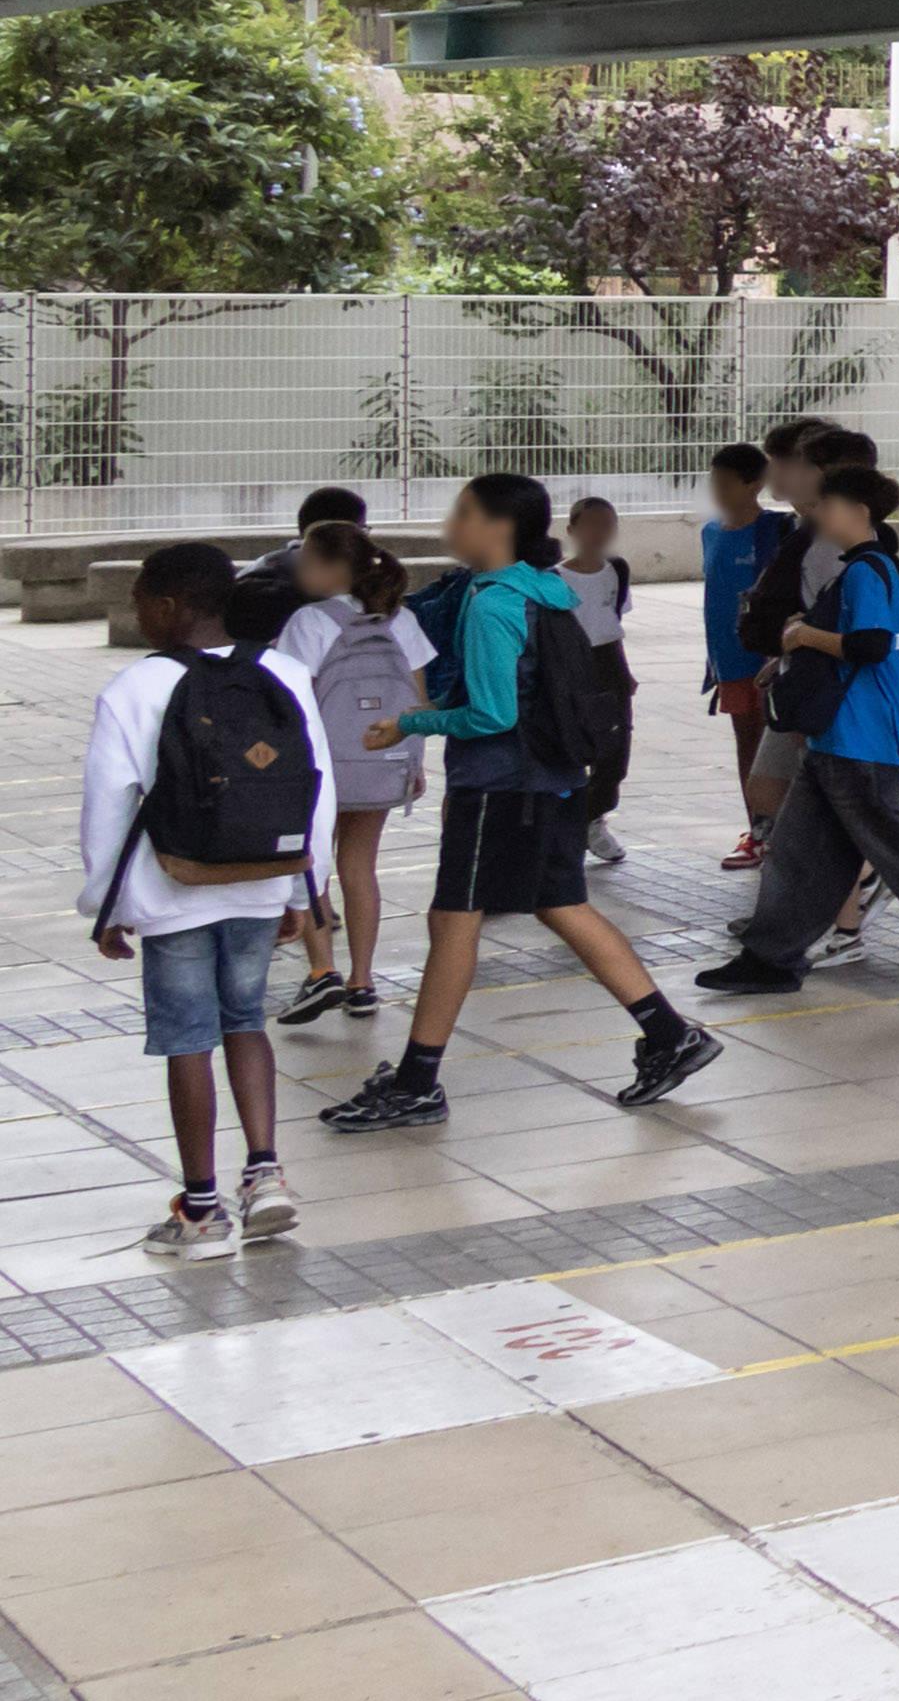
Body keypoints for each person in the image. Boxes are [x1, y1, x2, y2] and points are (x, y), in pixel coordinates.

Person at [318, 473, 720, 1134]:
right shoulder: (543, 589)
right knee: (562, 904)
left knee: (454, 921)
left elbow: (492, 713)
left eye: (462, 513)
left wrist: (410, 724)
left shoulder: (495, 601)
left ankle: (418, 1082)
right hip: (554, 779)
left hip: (501, 787)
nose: (452, 525)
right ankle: (670, 1035)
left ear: (496, 527)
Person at [87, 543, 337, 1257]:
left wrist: (109, 904)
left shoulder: (137, 688)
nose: (137, 612)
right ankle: (264, 1173)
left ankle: (201, 1210)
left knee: (187, 1041)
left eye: (139, 599)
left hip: (176, 887)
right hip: (262, 883)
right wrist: (302, 883)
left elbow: (108, 803)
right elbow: (318, 786)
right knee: (245, 1021)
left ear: (170, 607)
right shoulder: (283, 671)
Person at [704, 468, 899, 996]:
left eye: (828, 506)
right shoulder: (860, 572)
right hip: (834, 742)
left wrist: (802, 635)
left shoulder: (870, 572)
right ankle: (769, 957)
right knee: (798, 854)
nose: (818, 515)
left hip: (861, 743)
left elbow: (869, 644)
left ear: (858, 513)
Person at [272, 520, 428, 1028]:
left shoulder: (308, 622)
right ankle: (363, 981)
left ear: (333, 568)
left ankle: (322, 970)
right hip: (382, 759)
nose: (300, 568)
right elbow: (418, 701)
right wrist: (413, 763)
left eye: (309, 559)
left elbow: (291, 701)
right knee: (360, 868)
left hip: (324, 765)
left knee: (310, 863)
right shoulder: (400, 619)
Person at [698, 442, 775, 872]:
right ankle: (758, 830)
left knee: (772, 748)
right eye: (714, 482)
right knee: (746, 741)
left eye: (727, 483)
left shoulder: (775, 533)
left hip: (764, 659)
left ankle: (779, 830)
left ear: (756, 484)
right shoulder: (710, 532)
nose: (719, 491)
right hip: (728, 658)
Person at [560, 497, 640, 865]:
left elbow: (612, 622)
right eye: (590, 524)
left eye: (607, 524)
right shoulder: (555, 578)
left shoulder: (616, 570)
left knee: (614, 751)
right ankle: (567, 826)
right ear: (572, 530)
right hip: (570, 665)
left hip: (608, 664)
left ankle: (592, 819)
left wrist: (623, 673)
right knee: (574, 747)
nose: (599, 533)